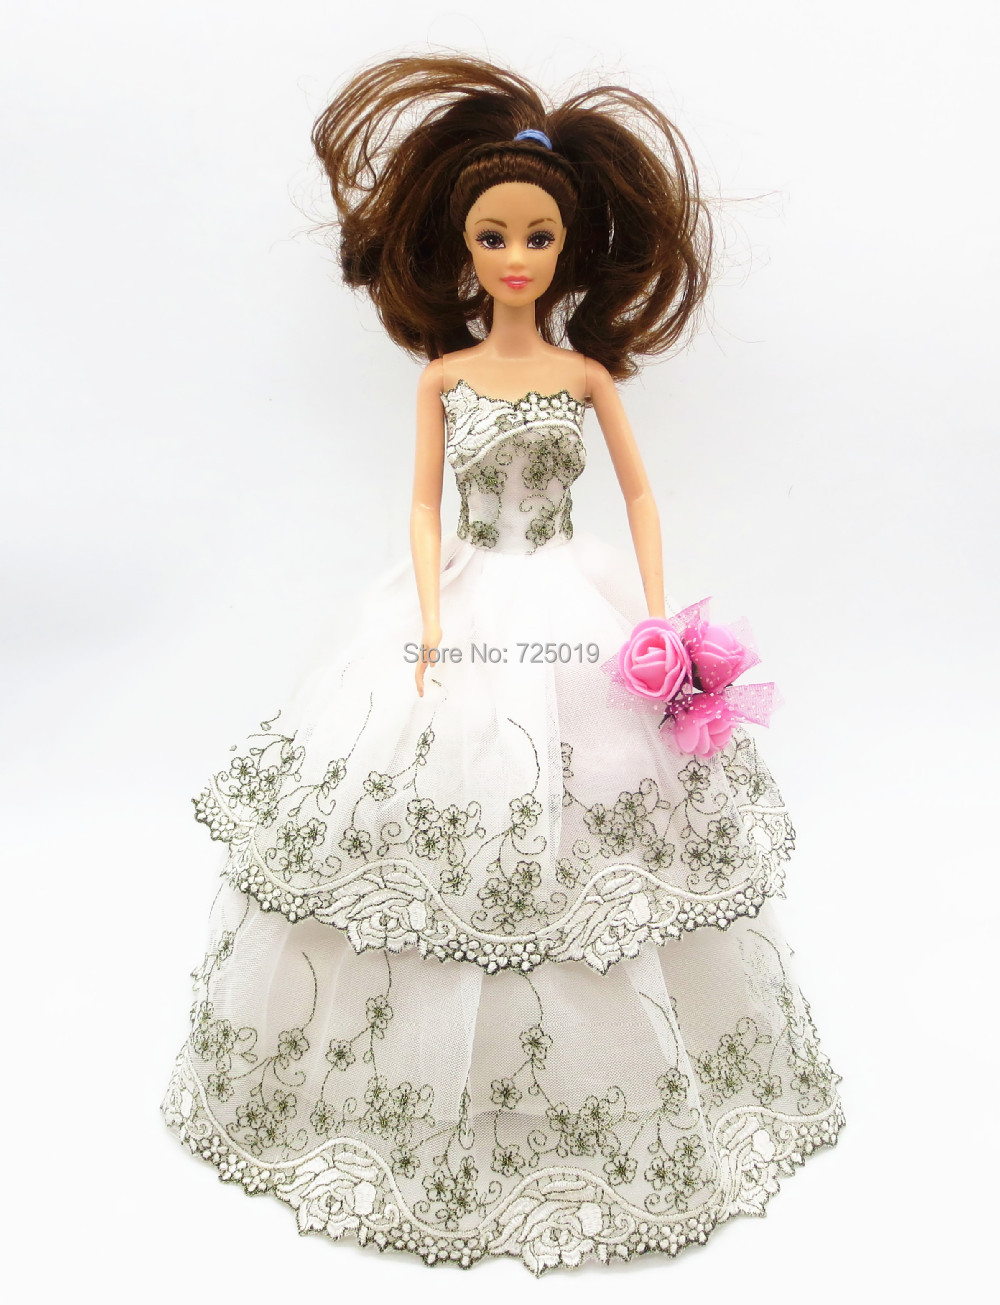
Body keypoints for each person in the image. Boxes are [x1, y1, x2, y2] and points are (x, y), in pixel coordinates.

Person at [161, 52, 845, 1276]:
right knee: (429, 820)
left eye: (537, 238)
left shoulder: (583, 376)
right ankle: (409, 1097)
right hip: (467, 599)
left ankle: (614, 1089)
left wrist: (654, 615)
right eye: (493, 237)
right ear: (460, 249)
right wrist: (430, 614)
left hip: (573, 604)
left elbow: (638, 492)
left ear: (569, 250)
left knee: (603, 832)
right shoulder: (445, 377)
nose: (515, 258)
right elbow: (424, 508)